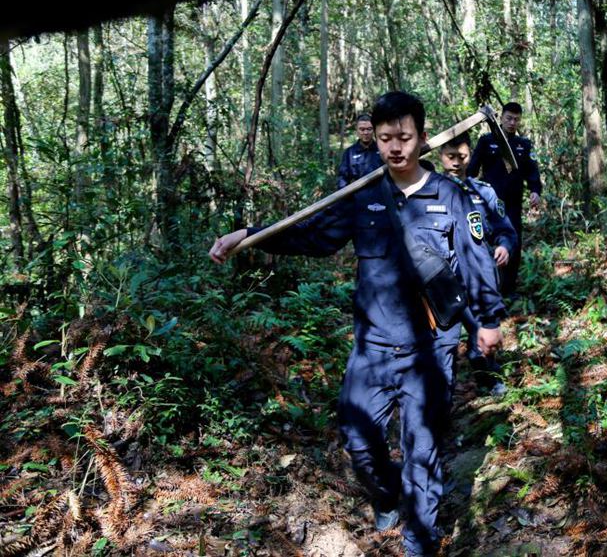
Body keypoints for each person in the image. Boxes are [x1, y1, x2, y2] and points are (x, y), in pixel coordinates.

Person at [209, 92, 505, 557]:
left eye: (404, 137)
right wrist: (249, 235)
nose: (395, 147)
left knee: (422, 455)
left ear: (423, 139)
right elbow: (314, 234)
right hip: (374, 345)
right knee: (358, 438)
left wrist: (488, 321)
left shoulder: (451, 196)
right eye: (386, 138)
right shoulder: (364, 194)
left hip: (431, 348)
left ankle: (419, 545)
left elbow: (475, 261)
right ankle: (386, 495)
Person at [439, 132, 517, 396]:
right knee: (441, 345)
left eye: (462, 156)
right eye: (450, 156)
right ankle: (442, 398)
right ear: (440, 157)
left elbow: (503, 227)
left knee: (480, 337)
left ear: (470, 155)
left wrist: (504, 245)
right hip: (440, 282)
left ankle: (490, 382)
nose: (456, 163)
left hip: (476, 278)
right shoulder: (430, 193)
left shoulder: (482, 192)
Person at [466, 101, 542, 295]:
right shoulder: (486, 141)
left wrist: (535, 190)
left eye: (516, 119)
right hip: (486, 203)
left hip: (512, 203)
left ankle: (508, 289)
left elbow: (532, 171)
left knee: (513, 241)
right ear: (501, 117)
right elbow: (472, 169)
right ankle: (487, 287)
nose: (512, 122)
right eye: (509, 118)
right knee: (484, 242)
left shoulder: (523, 145)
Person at [336, 113, 384, 189]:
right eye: (362, 129)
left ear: (374, 129)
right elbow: (342, 179)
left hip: (381, 194)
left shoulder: (382, 149)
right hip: (358, 195)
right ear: (357, 130)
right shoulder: (349, 153)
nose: (366, 133)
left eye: (369, 129)